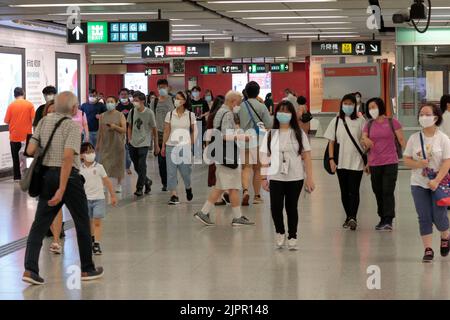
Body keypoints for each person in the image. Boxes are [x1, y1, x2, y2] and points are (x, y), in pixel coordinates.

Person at [22, 91, 103, 285]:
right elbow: (68, 158)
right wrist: (62, 188)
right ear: (74, 109)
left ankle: (30, 269)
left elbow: (30, 150)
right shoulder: (72, 127)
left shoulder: (43, 123)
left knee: (39, 224)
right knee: (82, 222)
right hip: (69, 179)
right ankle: (87, 269)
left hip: (47, 176)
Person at [260, 100, 315, 250]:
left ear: (292, 114)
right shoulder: (270, 134)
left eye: (287, 111)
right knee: (275, 207)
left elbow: (307, 157)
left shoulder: (299, 134)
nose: (283, 114)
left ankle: (292, 235)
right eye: (280, 111)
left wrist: (310, 178)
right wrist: (263, 178)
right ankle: (279, 231)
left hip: (295, 177)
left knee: (292, 207)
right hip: (275, 177)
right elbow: (264, 156)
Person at [194, 91, 254, 226]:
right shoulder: (227, 114)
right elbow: (225, 135)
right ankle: (235, 217)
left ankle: (205, 212)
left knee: (222, 187)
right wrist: (242, 137)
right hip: (227, 154)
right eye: (238, 103)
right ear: (233, 101)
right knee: (230, 186)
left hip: (221, 154)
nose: (238, 106)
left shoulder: (220, 111)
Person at [404, 103, 450, 262]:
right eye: (421, 114)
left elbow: (447, 162)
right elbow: (407, 160)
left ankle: (445, 234)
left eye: (427, 114)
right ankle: (428, 249)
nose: (423, 117)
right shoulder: (414, 138)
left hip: (439, 183)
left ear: (435, 117)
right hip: (418, 183)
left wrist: (436, 181)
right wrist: (419, 164)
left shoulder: (443, 139)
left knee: (439, 216)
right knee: (423, 216)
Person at [361, 98, 406, 231]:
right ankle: (382, 217)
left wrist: (412, 155)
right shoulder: (368, 125)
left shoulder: (393, 122)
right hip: (374, 163)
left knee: (387, 190)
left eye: (373, 107)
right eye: (369, 108)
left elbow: (402, 140)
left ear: (380, 107)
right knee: (377, 191)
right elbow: (363, 139)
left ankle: (388, 219)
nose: (371, 110)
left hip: (390, 161)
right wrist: (365, 140)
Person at [324, 94, 366, 230]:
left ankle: (353, 216)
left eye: (351, 103)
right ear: (341, 105)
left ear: (355, 105)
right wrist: (331, 159)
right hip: (340, 161)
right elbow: (331, 141)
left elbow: (365, 140)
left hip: (357, 161)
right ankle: (348, 216)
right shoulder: (336, 121)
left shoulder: (361, 120)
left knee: (354, 190)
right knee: (344, 191)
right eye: (345, 103)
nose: (348, 106)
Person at [238, 81, 273, 206]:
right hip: (258, 141)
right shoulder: (261, 106)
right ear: (258, 92)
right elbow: (269, 124)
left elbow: (236, 122)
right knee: (257, 168)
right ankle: (257, 196)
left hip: (244, 140)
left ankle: (246, 190)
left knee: (246, 167)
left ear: (246, 92)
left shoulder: (240, 106)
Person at [80, 142, 117, 255]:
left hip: (99, 199)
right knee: (89, 222)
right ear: (81, 155)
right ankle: (91, 238)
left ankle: (96, 243)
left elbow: (107, 181)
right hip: (85, 199)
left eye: (92, 151)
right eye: (87, 152)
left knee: (97, 222)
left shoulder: (99, 167)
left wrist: (113, 195)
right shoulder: (79, 168)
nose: (90, 154)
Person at [161, 92, 197, 205]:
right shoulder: (170, 114)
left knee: (186, 172)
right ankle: (174, 195)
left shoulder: (190, 115)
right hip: (171, 146)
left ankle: (188, 187)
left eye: (179, 99)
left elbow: (195, 130)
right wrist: (163, 145)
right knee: (171, 172)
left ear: (184, 101)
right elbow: (166, 130)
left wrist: (191, 142)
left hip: (185, 147)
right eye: (175, 98)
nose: (176, 100)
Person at [128, 91, 159, 197]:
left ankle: (139, 188)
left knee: (142, 165)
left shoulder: (149, 113)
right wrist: (129, 138)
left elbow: (154, 129)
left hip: (144, 143)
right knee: (137, 167)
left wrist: (156, 144)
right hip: (133, 143)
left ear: (142, 101)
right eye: (133, 100)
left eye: (136, 100)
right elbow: (129, 126)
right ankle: (147, 181)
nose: (134, 102)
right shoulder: (132, 111)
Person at [97, 96, 127, 193]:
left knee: (118, 163)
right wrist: (98, 143)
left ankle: (119, 184)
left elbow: (124, 129)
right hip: (106, 143)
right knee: (104, 164)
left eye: (111, 101)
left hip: (117, 143)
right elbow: (100, 131)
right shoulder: (102, 116)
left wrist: (115, 127)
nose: (109, 103)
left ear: (115, 103)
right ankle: (105, 184)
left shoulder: (120, 115)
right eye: (108, 101)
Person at [4, 87, 35, 181]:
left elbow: (6, 121)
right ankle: (28, 176)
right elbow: (33, 120)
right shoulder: (29, 105)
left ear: (14, 95)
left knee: (15, 158)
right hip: (27, 136)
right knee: (28, 157)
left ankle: (17, 177)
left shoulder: (11, 106)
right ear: (23, 93)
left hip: (14, 136)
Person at [206, 95, 230, 206]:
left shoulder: (211, 116)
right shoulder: (227, 115)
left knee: (216, 172)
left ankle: (219, 198)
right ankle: (226, 191)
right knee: (226, 170)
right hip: (227, 146)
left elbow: (208, 134)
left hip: (214, 145)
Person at [151, 79, 174, 191]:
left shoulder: (173, 100)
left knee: (172, 160)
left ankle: (172, 180)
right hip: (159, 134)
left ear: (168, 87)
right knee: (161, 161)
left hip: (172, 133)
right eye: (160, 87)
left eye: (164, 87)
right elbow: (151, 119)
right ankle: (165, 182)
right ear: (157, 88)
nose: (162, 89)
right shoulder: (154, 101)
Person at [116, 88, 133, 175]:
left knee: (128, 149)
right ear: (119, 96)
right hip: (119, 131)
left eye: (125, 94)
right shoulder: (117, 107)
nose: (123, 96)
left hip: (130, 131)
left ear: (128, 95)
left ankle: (127, 166)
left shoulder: (132, 106)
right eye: (122, 94)